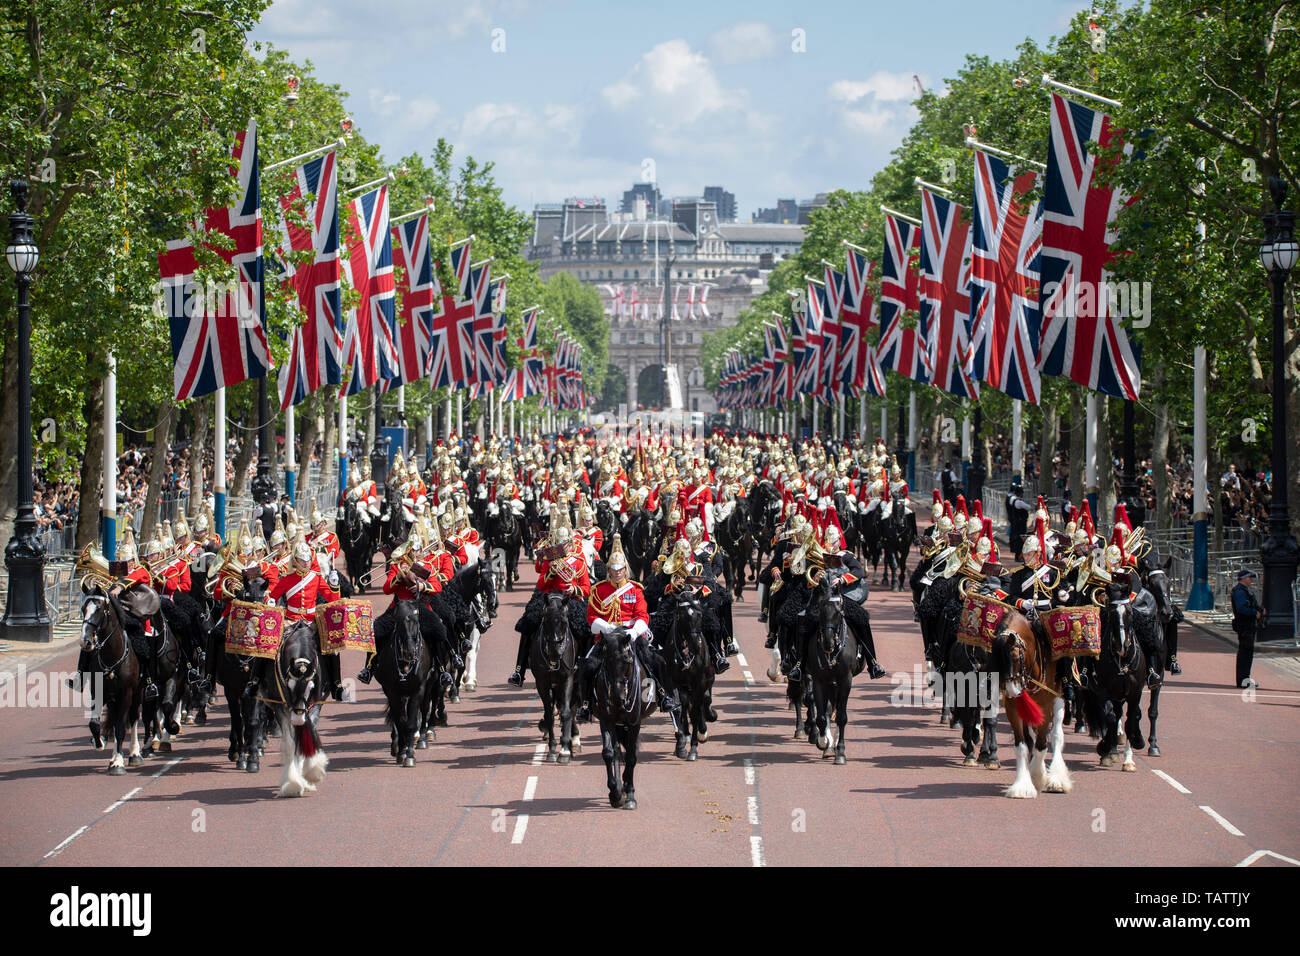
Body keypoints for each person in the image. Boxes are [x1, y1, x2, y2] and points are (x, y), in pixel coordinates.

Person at [576, 534, 679, 721]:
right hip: (607, 636)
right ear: (609, 570)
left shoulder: (635, 589)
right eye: (613, 570)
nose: (617, 573)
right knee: (588, 666)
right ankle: (585, 705)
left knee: (655, 661)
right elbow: (592, 616)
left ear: (625, 570)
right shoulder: (599, 590)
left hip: (630, 634)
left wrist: (634, 631)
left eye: (620, 569)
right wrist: (605, 628)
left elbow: (642, 615)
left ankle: (663, 696)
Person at [1230, 569, 1262, 689]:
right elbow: (1241, 609)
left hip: (1247, 626)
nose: (1251, 580)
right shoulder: (1239, 591)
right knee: (1245, 654)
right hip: (1245, 626)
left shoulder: (1244, 591)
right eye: (1249, 578)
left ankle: (1244, 679)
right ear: (1243, 578)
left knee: (1247, 653)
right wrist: (1255, 613)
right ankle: (1243, 680)